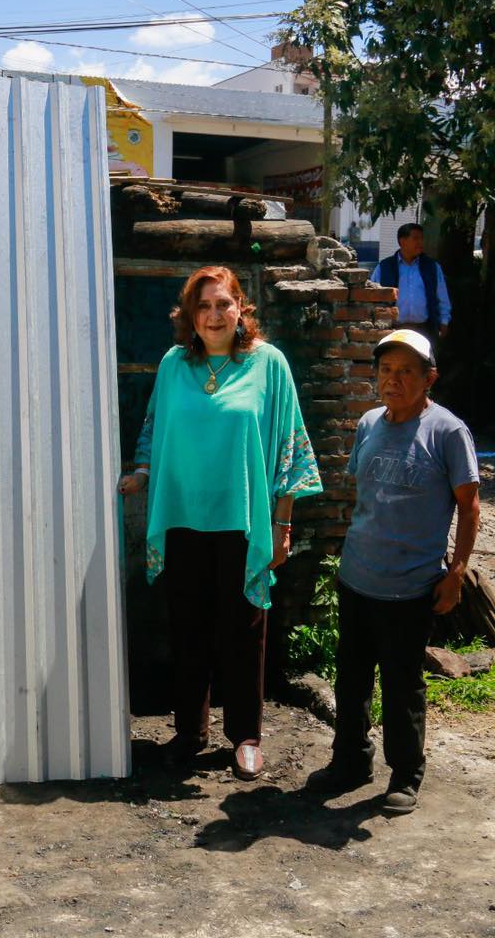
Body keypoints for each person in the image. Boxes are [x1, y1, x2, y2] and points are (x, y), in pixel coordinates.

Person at [118, 266, 322, 780]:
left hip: (243, 520)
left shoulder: (268, 364)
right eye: (203, 307)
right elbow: (154, 427)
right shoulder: (173, 365)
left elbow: (289, 449)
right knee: (187, 628)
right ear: (190, 315)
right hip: (185, 516)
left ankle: (246, 736)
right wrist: (142, 472)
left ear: (241, 309)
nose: (214, 315)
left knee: (244, 630)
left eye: (223, 304)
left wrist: (282, 522)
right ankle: (191, 730)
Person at [304, 329, 480, 815]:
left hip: (410, 588)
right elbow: (365, 497)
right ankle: (351, 761)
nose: (393, 380)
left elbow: (469, 508)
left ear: (429, 378)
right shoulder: (369, 424)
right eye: (385, 370)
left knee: (402, 687)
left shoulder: (447, 432)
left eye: (406, 372)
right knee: (351, 678)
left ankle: (405, 774)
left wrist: (456, 572)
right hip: (358, 578)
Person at [370, 223, 451, 344]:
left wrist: (444, 321)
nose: (420, 243)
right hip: (393, 329)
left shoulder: (432, 267)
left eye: (421, 239)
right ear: (402, 241)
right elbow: (372, 297)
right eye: (416, 238)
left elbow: (442, 297)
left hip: (425, 329)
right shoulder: (385, 267)